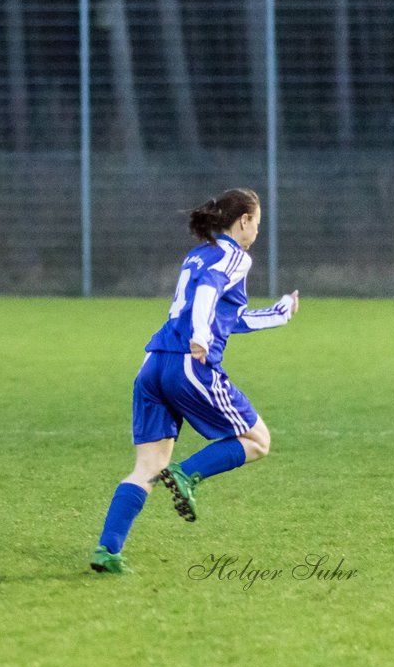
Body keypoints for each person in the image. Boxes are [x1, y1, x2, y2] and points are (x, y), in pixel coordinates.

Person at [90, 188, 300, 574]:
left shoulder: (198, 253)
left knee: (148, 466)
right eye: (258, 222)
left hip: (153, 364)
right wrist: (201, 336)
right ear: (244, 221)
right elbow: (206, 297)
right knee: (257, 440)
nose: (257, 230)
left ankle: (107, 550)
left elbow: (229, 319)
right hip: (189, 363)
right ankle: (187, 473)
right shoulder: (235, 255)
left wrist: (278, 314)